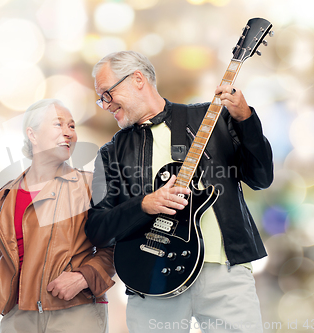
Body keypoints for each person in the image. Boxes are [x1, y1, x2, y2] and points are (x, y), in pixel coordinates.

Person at [86, 51, 273, 333]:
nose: (105, 105)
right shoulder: (112, 152)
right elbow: (97, 226)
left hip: (224, 272)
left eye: (107, 94)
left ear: (137, 79)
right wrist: (144, 205)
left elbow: (261, 177)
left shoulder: (210, 119)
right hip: (149, 278)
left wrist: (245, 119)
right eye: (101, 99)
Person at [0, 99, 115, 333]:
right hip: (17, 318)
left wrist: (83, 278)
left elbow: (115, 247)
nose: (68, 132)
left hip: (75, 313)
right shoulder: (4, 195)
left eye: (72, 126)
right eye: (59, 124)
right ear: (32, 135)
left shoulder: (90, 185)